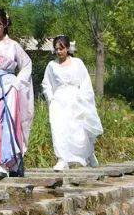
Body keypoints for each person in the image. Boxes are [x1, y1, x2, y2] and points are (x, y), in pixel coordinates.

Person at [0, 8, 34, 180]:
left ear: (5, 25)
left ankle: (1, 164)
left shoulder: (13, 45)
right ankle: (15, 161)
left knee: (6, 123)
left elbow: (26, 64)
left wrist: (17, 84)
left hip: (8, 88)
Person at [41, 35, 103, 171]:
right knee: (59, 129)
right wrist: (51, 99)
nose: (58, 52)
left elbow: (85, 81)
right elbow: (46, 84)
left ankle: (88, 153)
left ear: (67, 48)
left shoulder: (77, 63)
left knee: (78, 129)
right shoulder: (52, 66)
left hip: (75, 99)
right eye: (56, 49)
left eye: (61, 49)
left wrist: (84, 98)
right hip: (59, 101)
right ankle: (62, 159)